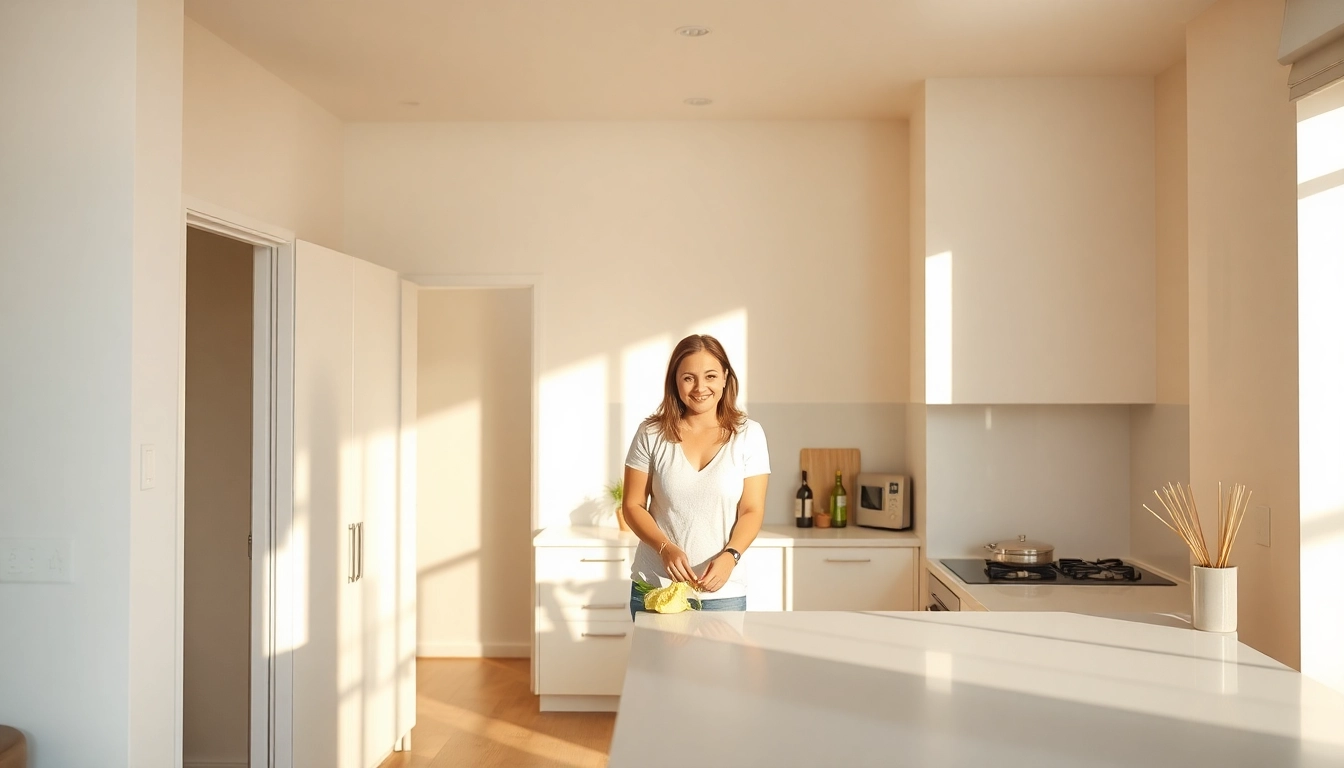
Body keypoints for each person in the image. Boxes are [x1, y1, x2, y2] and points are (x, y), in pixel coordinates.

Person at [622, 334, 770, 617]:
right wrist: (664, 548)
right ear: (675, 382)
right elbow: (632, 505)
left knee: (721, 664)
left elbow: (752, 509)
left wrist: (731, 556)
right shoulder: (650, 433)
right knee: (654, 664)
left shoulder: (749, 435)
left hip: (722, 592)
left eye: (711, 376)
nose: (701, 387)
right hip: (657, 587)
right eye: (688, 378)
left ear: (725, 377)